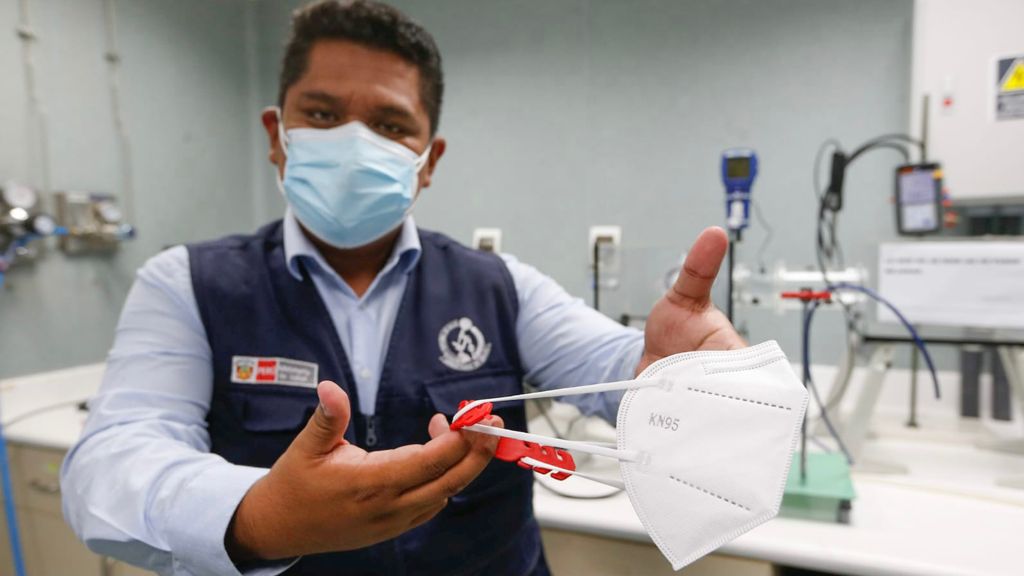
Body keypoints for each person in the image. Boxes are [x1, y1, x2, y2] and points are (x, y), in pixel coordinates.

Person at [60, 1, 744, 575]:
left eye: (389, 126)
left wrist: (675, 382)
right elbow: (110, 467)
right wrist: (263, 515)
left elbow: (618, 371)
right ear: (278, 136)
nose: (354, 146)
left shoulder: (501, 288)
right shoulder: (189, 285)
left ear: (426, 161)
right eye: (323, 116)